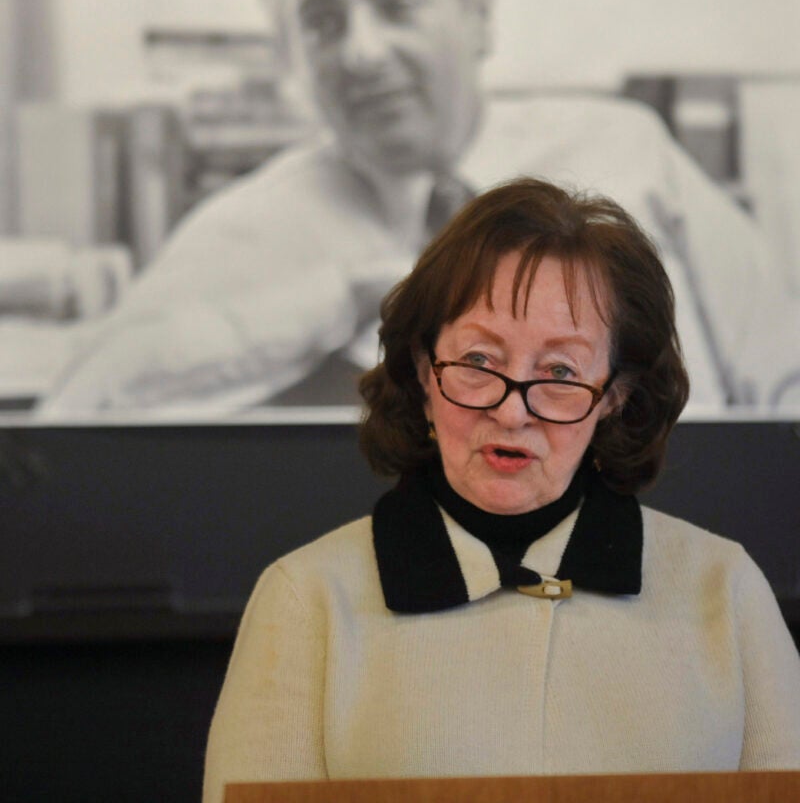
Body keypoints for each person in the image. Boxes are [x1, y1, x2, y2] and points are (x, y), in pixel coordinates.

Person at [36, 0, 799, 418]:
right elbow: (75, 412)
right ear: (289, 54)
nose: (360, 53)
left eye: (395, 4)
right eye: (322, 20)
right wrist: (328, 305)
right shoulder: (247, 225)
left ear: (478, 12)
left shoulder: (626, 148)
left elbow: (784, 369)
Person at [202, 178, 800, 799]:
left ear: (614, 399)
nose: (512, 413)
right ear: (422, 371)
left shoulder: (725, 592)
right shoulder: (305, 603)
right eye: (481, 362)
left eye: (560, 371)